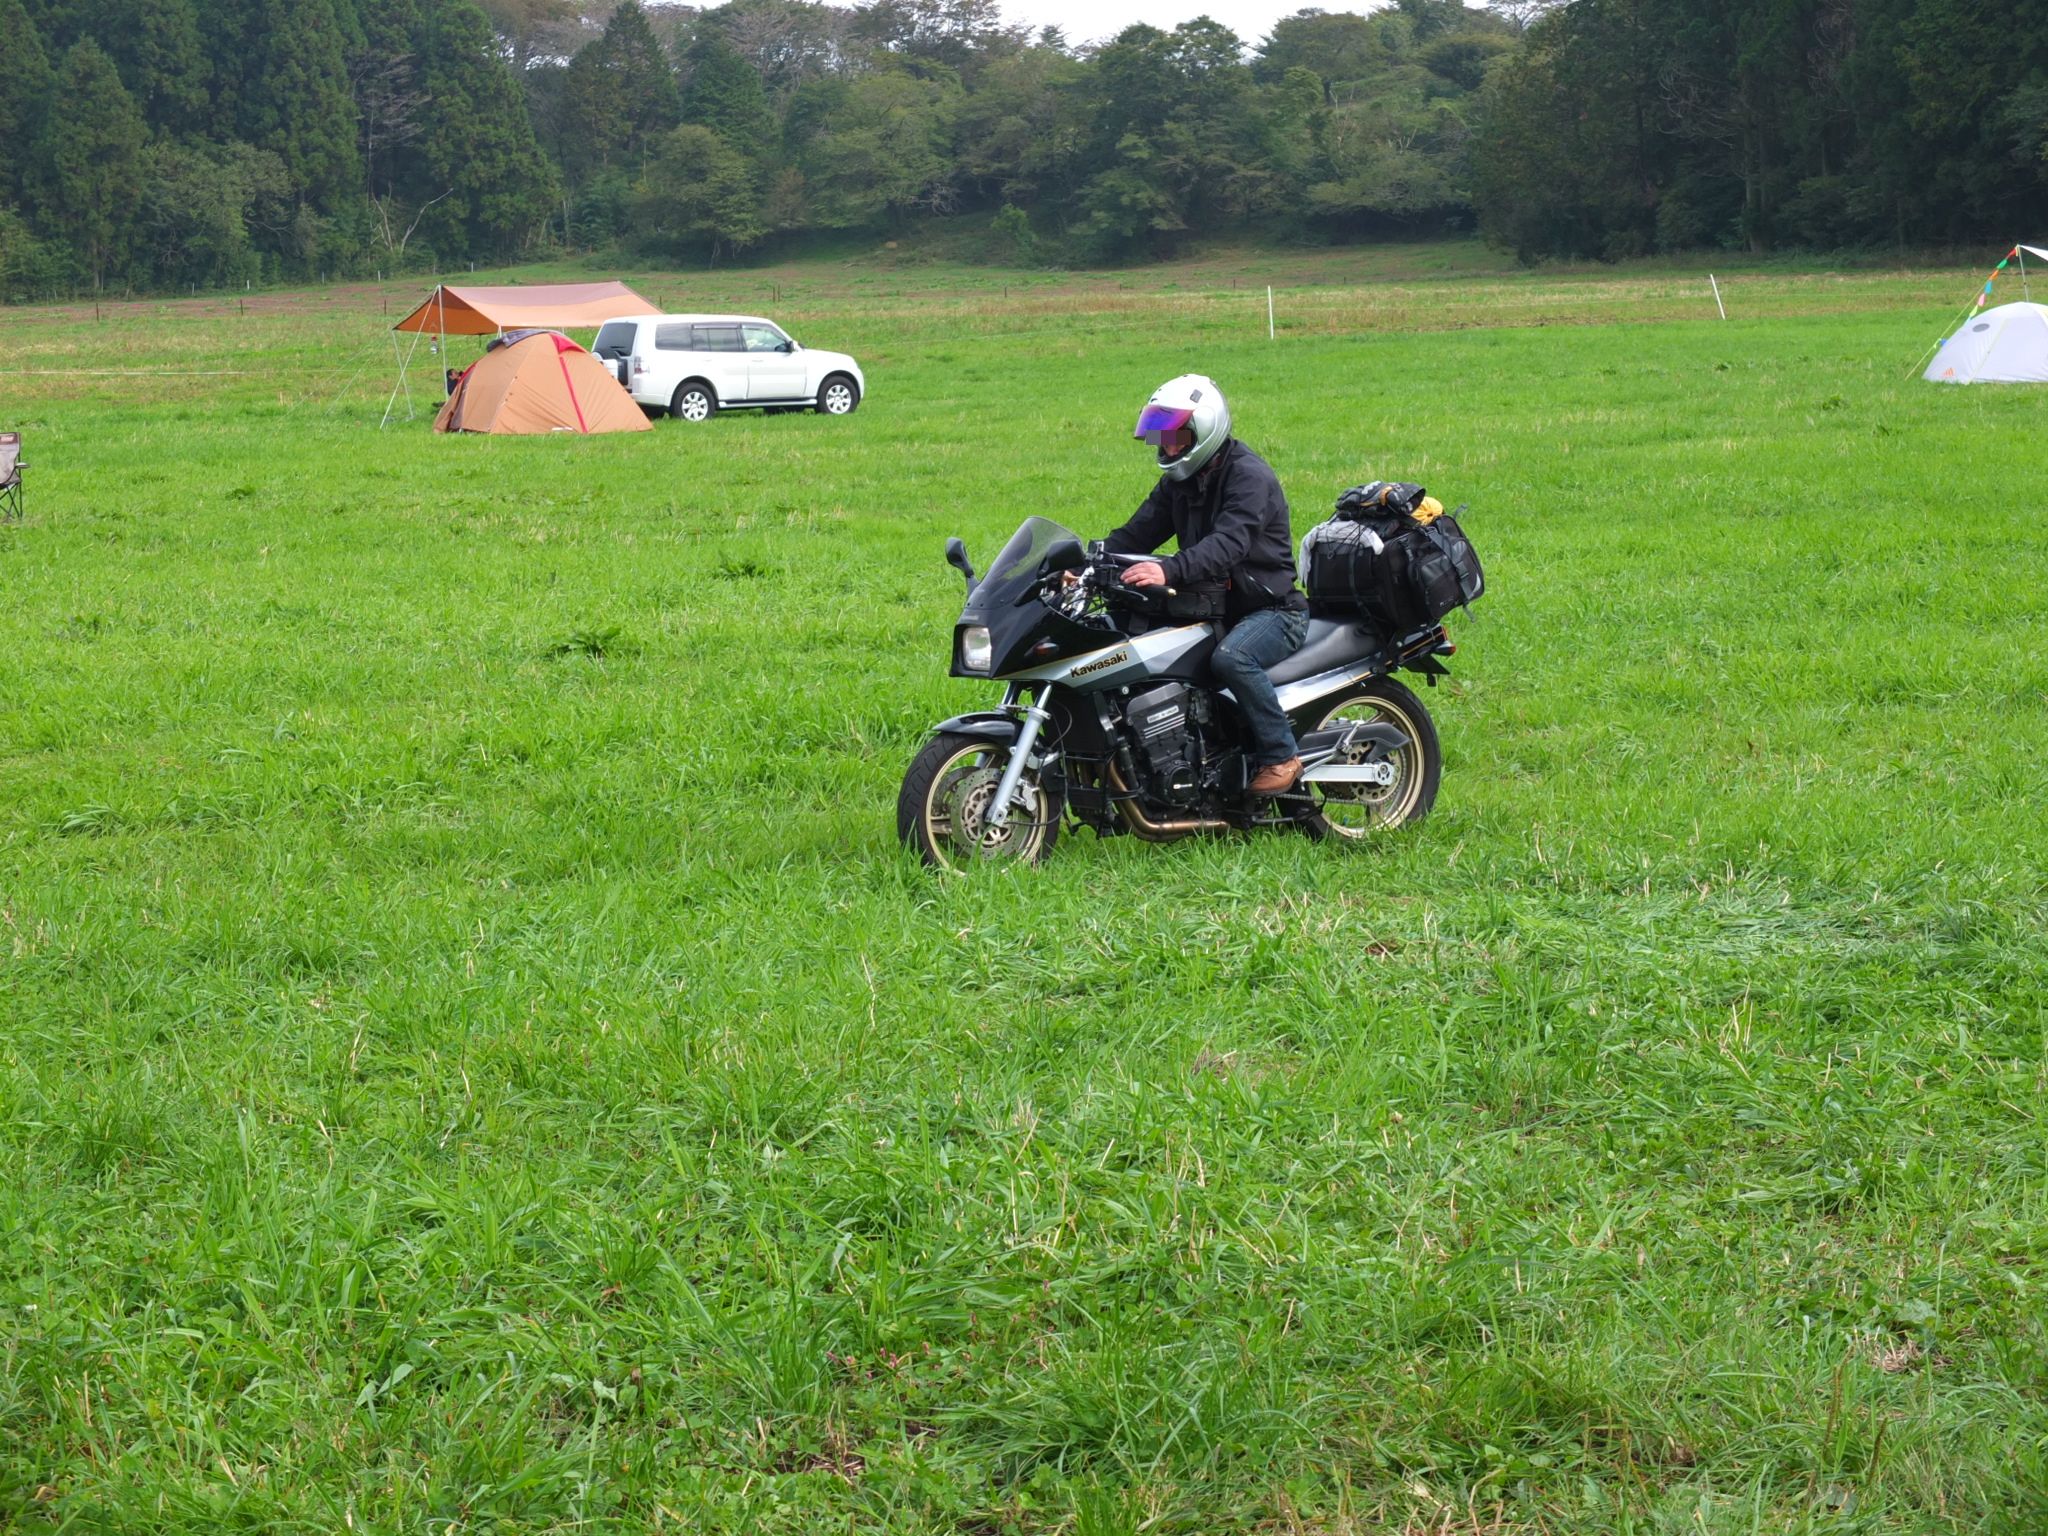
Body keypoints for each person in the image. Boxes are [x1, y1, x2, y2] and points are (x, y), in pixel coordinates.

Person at [1104, 374, 1309, 795]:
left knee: (1233, 659)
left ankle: (1281, 755)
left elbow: (1229, 543)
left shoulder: (1248, 476)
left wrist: (1170, 570)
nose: (1169, 446)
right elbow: (1137, 533)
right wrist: (1086, 563)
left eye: (1178, 436)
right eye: (1163, 437)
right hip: (1211, 606)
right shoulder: (1179, 482)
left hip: (1270, 610)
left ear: (1206, 429)